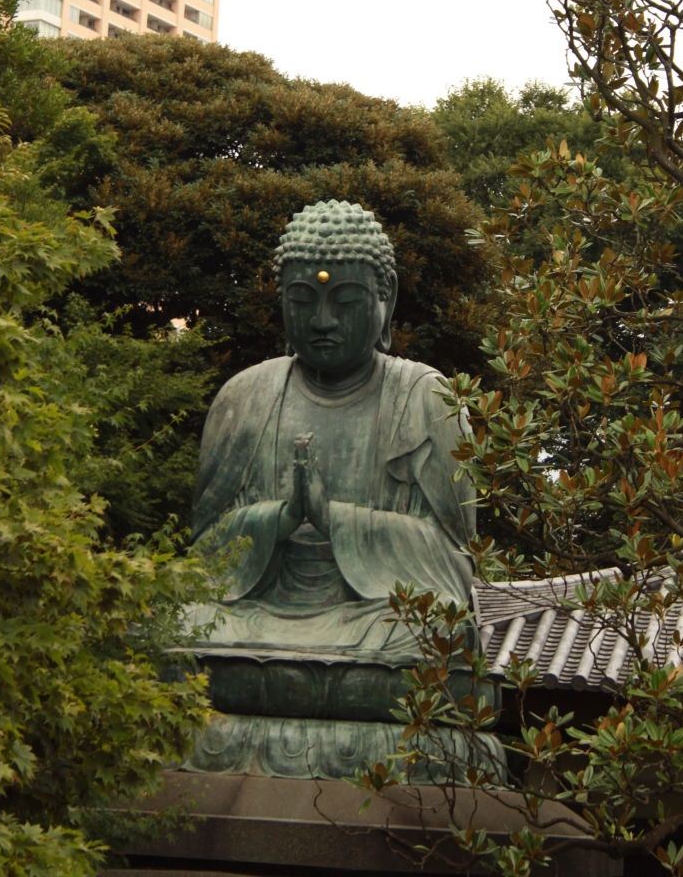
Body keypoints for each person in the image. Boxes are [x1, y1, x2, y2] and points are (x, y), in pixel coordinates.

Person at [189, 199, 478, 720]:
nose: (323, 321)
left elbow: (454, 568)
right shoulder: (244, 396)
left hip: (374, 620)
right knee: (178, 623)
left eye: (345, 301)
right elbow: (201, 561)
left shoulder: (425, 398)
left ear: (384, 302)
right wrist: (277, 519)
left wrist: (334, 519)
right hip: (252, 616)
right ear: (281, 302)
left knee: (442, 638)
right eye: (303, 300)